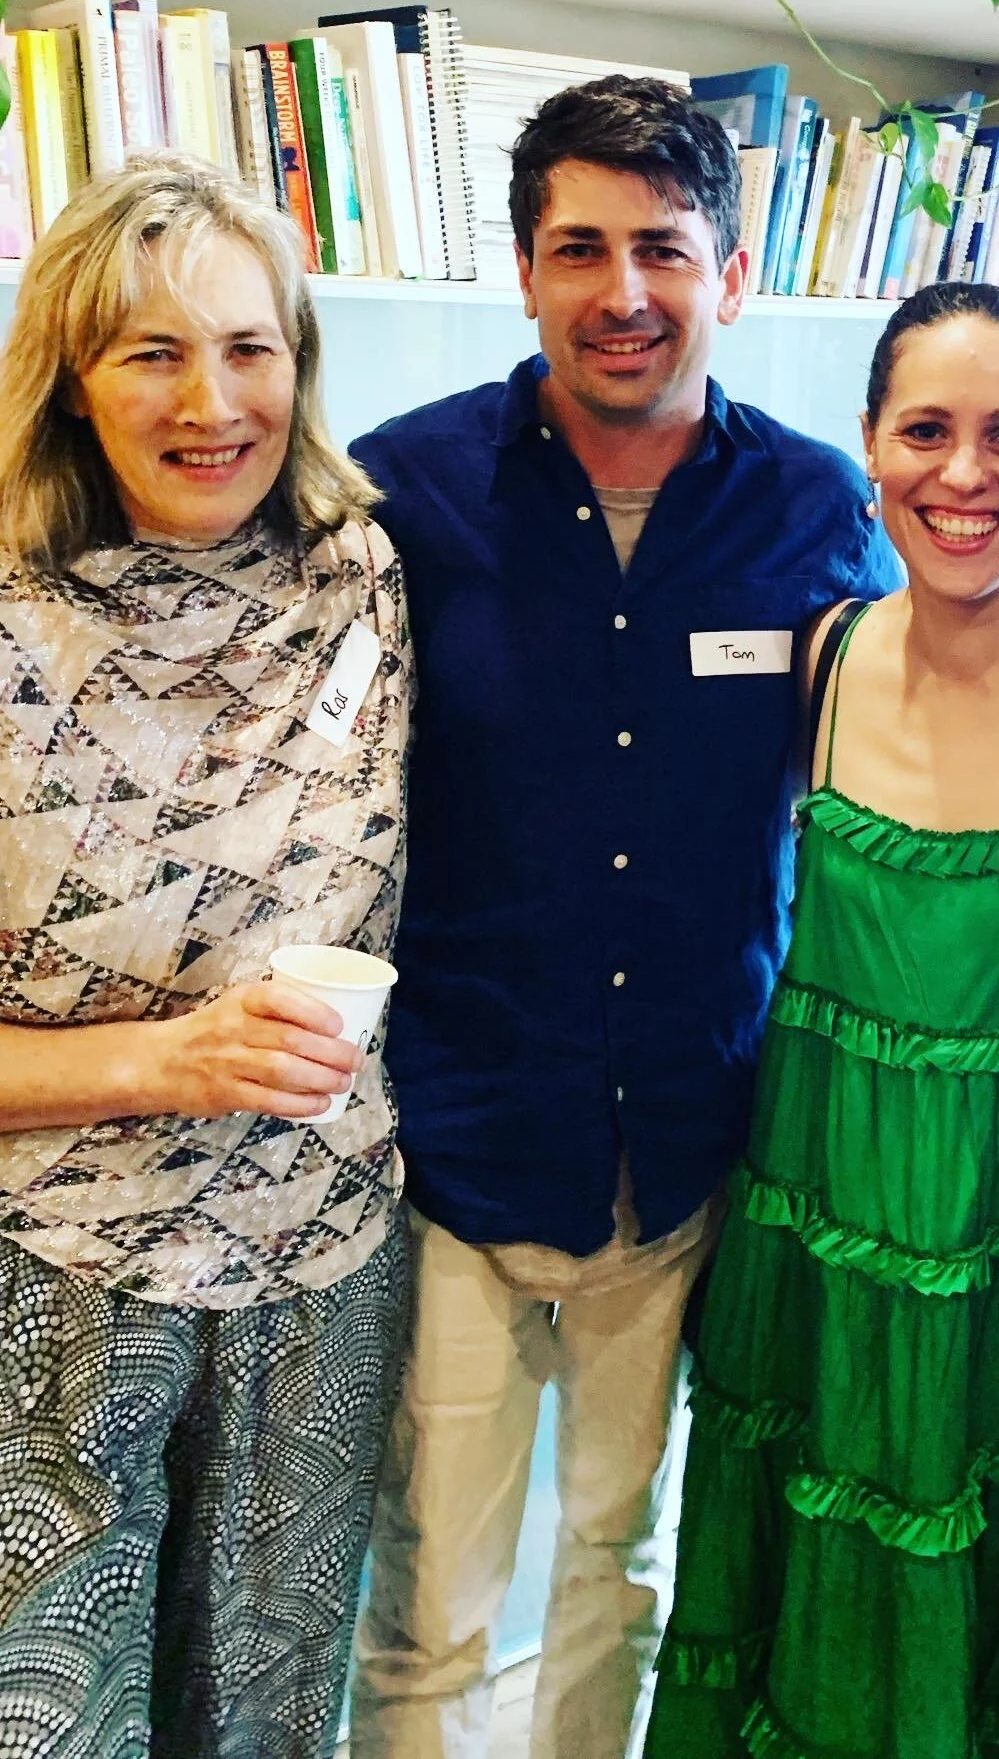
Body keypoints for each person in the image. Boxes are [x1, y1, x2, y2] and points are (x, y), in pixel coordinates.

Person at [345, 76, 900, 1759]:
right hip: (457, 1141)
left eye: (663, 247)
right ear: (524, 271)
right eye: (580, 248)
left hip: (687, 1142)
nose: (624, 291)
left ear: (732, 271)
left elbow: (919, 720)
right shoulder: (403, 490)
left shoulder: (817, 507)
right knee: (430, 1602)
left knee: (619, 1563)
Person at [642, 280, 999, 1758]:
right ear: (871, 445)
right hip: (822, 1242)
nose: (966, 474)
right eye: (928, 430)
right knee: (804, 1623)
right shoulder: (822, 662)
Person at [0, 156, 411, 1758]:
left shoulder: (358, 574)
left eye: (250, 347)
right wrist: (164, 1060)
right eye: (152, 353)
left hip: (321, 1258)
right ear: (72, 377)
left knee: (266, 1721)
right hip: (53, 1272)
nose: (211, 401)